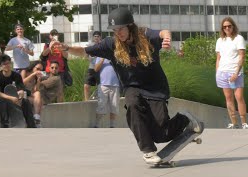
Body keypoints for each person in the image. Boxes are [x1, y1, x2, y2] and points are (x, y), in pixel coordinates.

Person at [58, 7, 203, 164]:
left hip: (155, 88)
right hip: (132, 87)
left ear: (130, 26)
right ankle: (148, 151)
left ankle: (184, 119)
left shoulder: (145, 35)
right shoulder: (110, 44)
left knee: (161, 134)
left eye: (121, 28)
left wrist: (167, 38)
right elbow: (84, 51)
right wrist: (67, 48)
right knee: (132, 104)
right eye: (115, 30)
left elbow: (163, 32)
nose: (118, 33)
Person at [215, 17, 248, 129]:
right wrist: (217, 72)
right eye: (225, 27)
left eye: (229, 26)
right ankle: (234, 123)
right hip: (222, 72)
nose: (227, 28)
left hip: (235, 72)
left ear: (233, 26)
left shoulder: (238, 38)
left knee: (239, 97)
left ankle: (244, 122)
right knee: (228, 98)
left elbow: (242, 56)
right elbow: (218, 58)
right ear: (222, 28)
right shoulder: (220, 40)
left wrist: (236, 73)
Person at [0, 54, 36, 128]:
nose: (7, 65)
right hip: (0, 98)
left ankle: (31, 124)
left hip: (15, 97)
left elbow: (21, 89)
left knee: (26, 101)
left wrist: (20, 95)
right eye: (4, 64)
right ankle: (5, 125)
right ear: (0, 66)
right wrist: (11, 98)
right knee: (4, 102)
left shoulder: (16, 76)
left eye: (8, 63)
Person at [41, 29, 68, 102]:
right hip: (49, 70)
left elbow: (66, 56)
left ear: (58, 36)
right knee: (48, 88)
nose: (54, 36)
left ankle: (60, 107)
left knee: (60, 90)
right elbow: (43, 54)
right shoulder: (47, 44)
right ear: (50, 36)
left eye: (55, 34)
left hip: (60, 70)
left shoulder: (61, 44)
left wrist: (61, 47)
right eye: (52, 35)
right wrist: (50, 46)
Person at [93, 57, 120, 128]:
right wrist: (102, 59)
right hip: (103, 84)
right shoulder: (99, 56)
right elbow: (96, 69)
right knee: (101, 105)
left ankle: (112, 125)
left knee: (114, 106)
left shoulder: (117, 55)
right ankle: (97, 125)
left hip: (116, 84)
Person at [23, 61, 44, 127]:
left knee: (38, 93)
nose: (39, 71)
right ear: (33, 67)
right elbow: (22, 83)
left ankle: (36, 118)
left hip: (30, 96)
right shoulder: (24, 71)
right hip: (22, 95)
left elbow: (35, 90)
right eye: (37, 69)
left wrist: (38, 81)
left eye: (41, 70)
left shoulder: (36, 77)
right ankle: (36, 122)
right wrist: (32, 74)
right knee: (40, 102)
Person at [84, 31, 101, 101]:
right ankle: (86, 101)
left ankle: (100, 99)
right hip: (91, 68)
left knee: (101, 87)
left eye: (98, 36)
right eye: (95, 36)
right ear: (93, 38)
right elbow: (85, 56)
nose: (96, 38)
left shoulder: (102, 46)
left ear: (100, 37)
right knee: (86, 86)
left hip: (100, 68)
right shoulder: (90, 46)